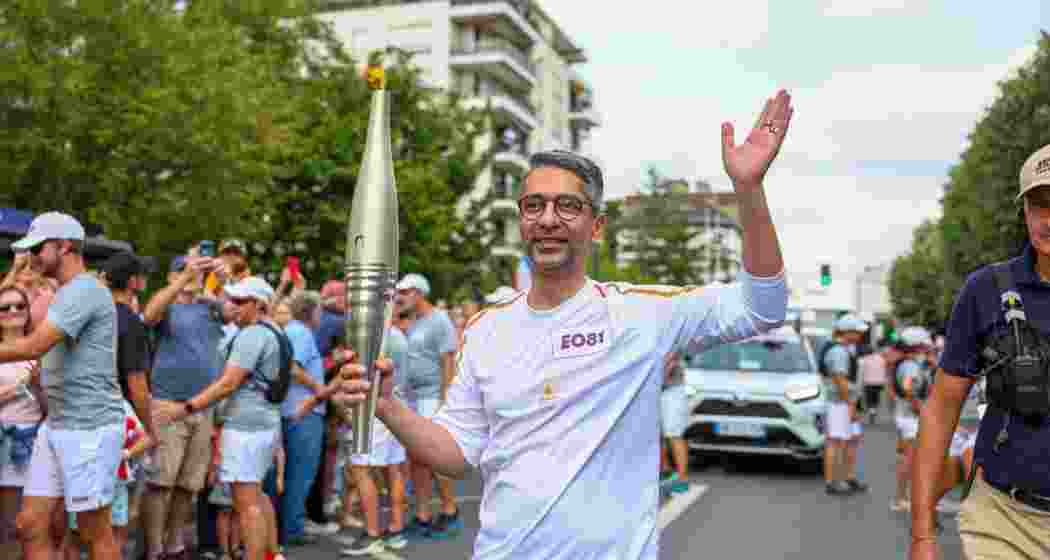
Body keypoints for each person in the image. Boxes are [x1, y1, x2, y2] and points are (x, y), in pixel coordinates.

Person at [330, 89, 793, 559]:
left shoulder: (639, 314)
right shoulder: (486, 331)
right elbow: (454, 454)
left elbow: (763, 306)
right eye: (534, 206)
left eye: (567, 206)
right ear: (521, 220)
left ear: (596, 226)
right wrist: (386, 405)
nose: (547, 219)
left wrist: (748, 190)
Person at [911, 143, 1050, 560]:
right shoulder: (986, 290)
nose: (1048, 219)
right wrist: (922, 535)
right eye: (1039, 204)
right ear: (1024, 210)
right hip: (1005, 522)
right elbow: (942, 407)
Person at [0, 212, 126, 560]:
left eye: (39, 248)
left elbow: (33, 345)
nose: (32, 256)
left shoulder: (84, 289)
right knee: (30, 524)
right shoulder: (69, 291)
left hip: (89, 426)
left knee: (93, 531)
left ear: (65, 246)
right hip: (57, 424)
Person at [154, 277, 285, 560]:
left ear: (258, 304)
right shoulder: (272, 330)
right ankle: (272, 555)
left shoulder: (252, 335)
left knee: (245, 502)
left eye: (239, 301)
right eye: (231, 300)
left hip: (246, 427)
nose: (232, 307)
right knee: (257, 496)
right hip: (262, 423)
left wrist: (185, 408)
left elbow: (228, 383)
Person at [0, 286, 44, 559]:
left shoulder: (39, 350)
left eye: (19, 306)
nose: (13, 311)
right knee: (4, 526)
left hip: (31, 442)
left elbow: (49, 408)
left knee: (22, 525)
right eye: (5, 307)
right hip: (2, 438)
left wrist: (39, 386)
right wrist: (20, 385)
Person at [819, 314, 869, 496]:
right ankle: (832, 481)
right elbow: (840, 380)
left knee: (851, 439)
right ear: (846, 332)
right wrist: (850, 405)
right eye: (856, 332)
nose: (859, 335)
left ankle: (847, 477)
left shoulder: (843, 349)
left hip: (845, 401)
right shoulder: (839, 351)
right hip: (839, 403)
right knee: (836, 441)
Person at [659, 351, 689, 494]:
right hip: (661, 391)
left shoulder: (673, 339)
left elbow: (668, 361)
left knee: (674, 435)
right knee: (660, 435)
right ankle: (665, 471)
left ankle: (681, 479)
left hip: (673, 391)